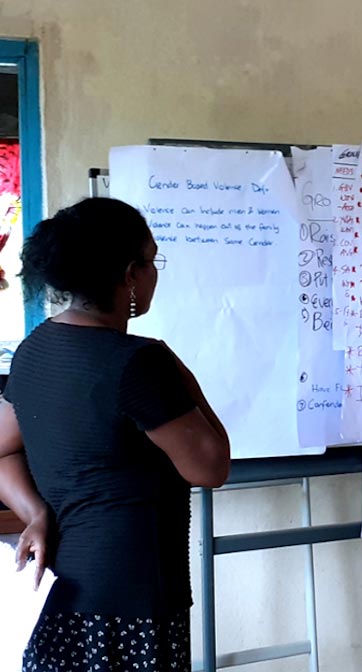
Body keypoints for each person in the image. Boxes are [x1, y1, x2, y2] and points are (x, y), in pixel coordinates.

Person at [0, 197, 230, 671]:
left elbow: (1, 452)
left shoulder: (33, 349)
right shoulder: (139, 363)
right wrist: (183, 377)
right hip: (133, 600)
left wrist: (36, 514)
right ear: (129, 274)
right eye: (151, 261)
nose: (153, 275)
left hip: (56, 595)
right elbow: (211, 467)